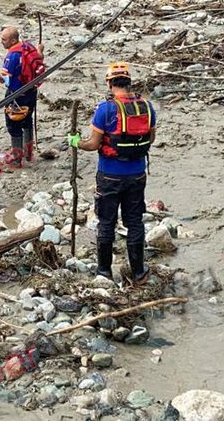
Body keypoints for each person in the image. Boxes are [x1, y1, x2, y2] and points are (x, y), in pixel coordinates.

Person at [66, 62, 156, 284]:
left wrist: (76, 142)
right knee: (134, 221)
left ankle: (104, 272)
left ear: (110, 83)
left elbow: (94, 144)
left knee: (106, 222)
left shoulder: (105, 109)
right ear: (129, 82)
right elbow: (151, 139)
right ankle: (138, 272)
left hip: (109, 175)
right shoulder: (147, 106)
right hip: (137, 174)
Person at [0, 27, 45, 167]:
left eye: (4, 39)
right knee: (27, 121)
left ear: (13, 40)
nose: (1, 42)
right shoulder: (28, 46)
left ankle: (17, 158)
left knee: (14, 125)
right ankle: (29, 153)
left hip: (16, 95)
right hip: (31, 92)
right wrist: (41, 50)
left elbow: (3, 79)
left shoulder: (12, 56)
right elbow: (38, 59)